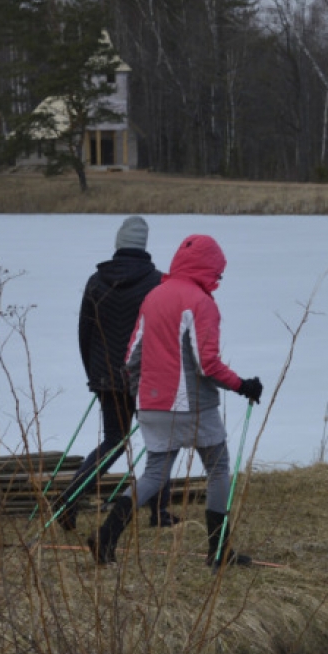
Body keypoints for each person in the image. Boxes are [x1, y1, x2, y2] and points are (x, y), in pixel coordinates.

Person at [86, 233, 263, 568]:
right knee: (219, 468)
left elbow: (131, 357)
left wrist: (143, 393)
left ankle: (106, 536)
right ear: (208, 268)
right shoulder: (201, 303)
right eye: (218, 272)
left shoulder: (153, 297)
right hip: (192, 407)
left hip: (151, 404)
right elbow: (207, 364)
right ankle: (218, 551)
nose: (219, 278)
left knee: (154, 473)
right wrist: (243, 385)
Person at [54, 216, 176, 530]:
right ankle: (158, 513)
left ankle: (69, 499)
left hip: (106, 375)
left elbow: (85, 332)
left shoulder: (96, 281)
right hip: (147, 377)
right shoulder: (159, 282)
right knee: (159, 441)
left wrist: (95, 374)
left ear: (118, 244)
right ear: (143, 246)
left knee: (113, 440)